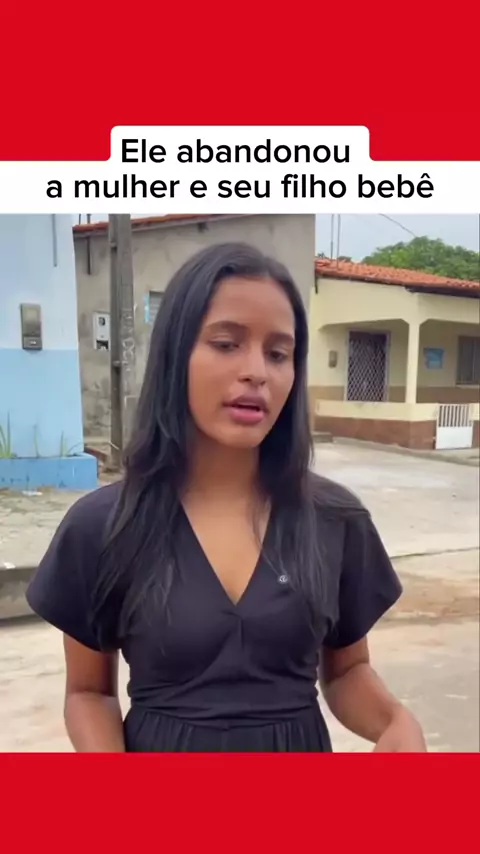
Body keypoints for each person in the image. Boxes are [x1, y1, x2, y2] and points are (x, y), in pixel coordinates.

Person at [26, 242, 426, 753]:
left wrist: (394, 722)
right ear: (175, 356)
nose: (257, 371)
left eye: (278, 354)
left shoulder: (335, 519)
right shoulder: (103, 525)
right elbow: (88, 692)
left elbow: (348, 671)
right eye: (226, 343)